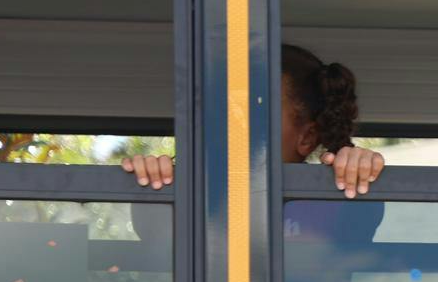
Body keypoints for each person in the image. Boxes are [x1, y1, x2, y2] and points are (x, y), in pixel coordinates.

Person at [121, 43, 387, 197]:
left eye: (251, 113)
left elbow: (359, 219)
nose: (229, 124)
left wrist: (359, 167)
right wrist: (154, 182)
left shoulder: (332, 197)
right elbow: (158, 248)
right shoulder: (197, 195)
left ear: (306, 137)